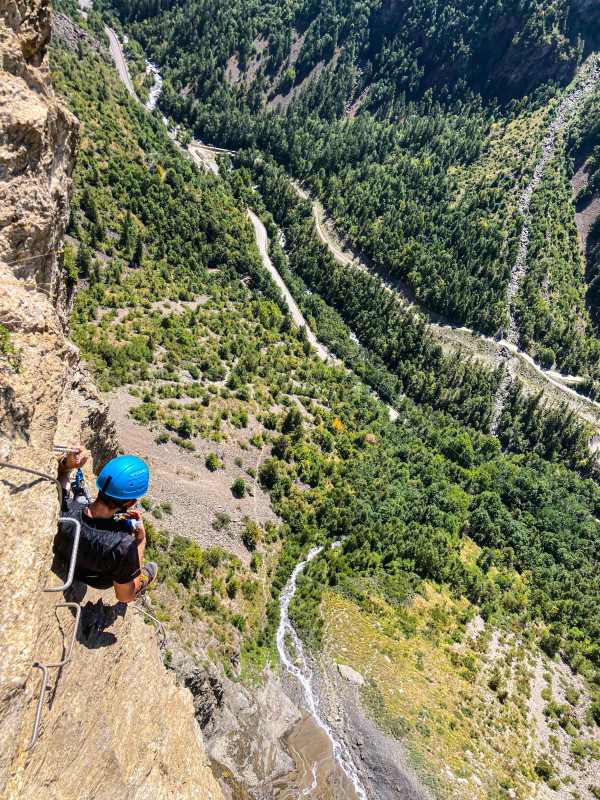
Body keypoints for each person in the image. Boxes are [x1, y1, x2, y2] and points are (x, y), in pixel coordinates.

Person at [54, 445, 158, 603]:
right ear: (130, 503)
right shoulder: (123, 546)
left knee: (81, 500)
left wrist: (66, 466)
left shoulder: (65, 510)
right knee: (131, 582)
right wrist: (140, 541)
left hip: (68, 560)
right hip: (96, 579)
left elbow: (62, 479)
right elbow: (124, 597)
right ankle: (141, 578)